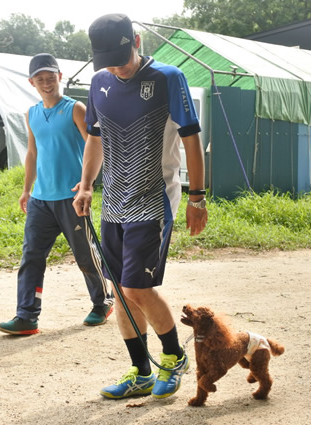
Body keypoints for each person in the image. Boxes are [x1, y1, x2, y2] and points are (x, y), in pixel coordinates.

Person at [72, 14, 208, 399]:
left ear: (136, 39)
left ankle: (173, 356)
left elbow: (192, 140)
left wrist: (196, 196)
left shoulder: (167, 77)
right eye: (108, 60)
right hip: (114, 199)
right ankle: (141, 371)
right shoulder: (99, 82)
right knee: (119, 289)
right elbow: (95, 139)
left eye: (122, 55)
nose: (117, 66)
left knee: (137, 285)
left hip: (154, 198)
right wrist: (86, 186)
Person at [0, 53, 114, 335]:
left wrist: (88, 184)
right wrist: (26, 189)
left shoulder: (75, 109)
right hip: (40, 199)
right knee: (31, 257)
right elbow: (33, 153)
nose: (47, 83)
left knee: (85, 255)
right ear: (32, 82)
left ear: (59, 77)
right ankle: (26, 315)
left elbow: (97, 146)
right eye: (41, 79)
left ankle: (103, 301)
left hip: (71, 197)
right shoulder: (32, 113)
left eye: (51, 78)